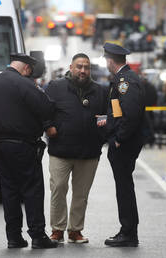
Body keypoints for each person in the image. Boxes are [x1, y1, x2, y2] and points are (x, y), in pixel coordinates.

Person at [0, 53, 58, 249]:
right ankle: (38, 236)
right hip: (23, 145)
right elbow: (46, 107)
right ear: (26, 69)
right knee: (32, 190)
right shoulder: (24, 84)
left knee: (9, 191)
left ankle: (14, 237)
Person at [44, 53, 108, 244]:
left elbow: (106, 116)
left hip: (88, 152)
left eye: (86, 67)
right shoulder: (56, 87)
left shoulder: (100, 91)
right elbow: (43, 110)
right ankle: (57, 229)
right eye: (79, 66)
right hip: (60, 150)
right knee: (58, 189)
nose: (82, 70)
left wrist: (101, 137)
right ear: (71, 68)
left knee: (81, 194)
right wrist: (48, 127)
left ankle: (75, 231)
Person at [102, 42, 146, 247]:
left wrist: (119, 138)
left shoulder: (125, 81)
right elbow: (119, 111)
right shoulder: (123, 78)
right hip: (123, 141)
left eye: (106, 60)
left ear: (111, 60)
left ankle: (128, 232)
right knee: (124, 187)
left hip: (124, 143)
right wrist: (109, 120)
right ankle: (127, 230)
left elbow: (131, 114)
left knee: (124, 188)